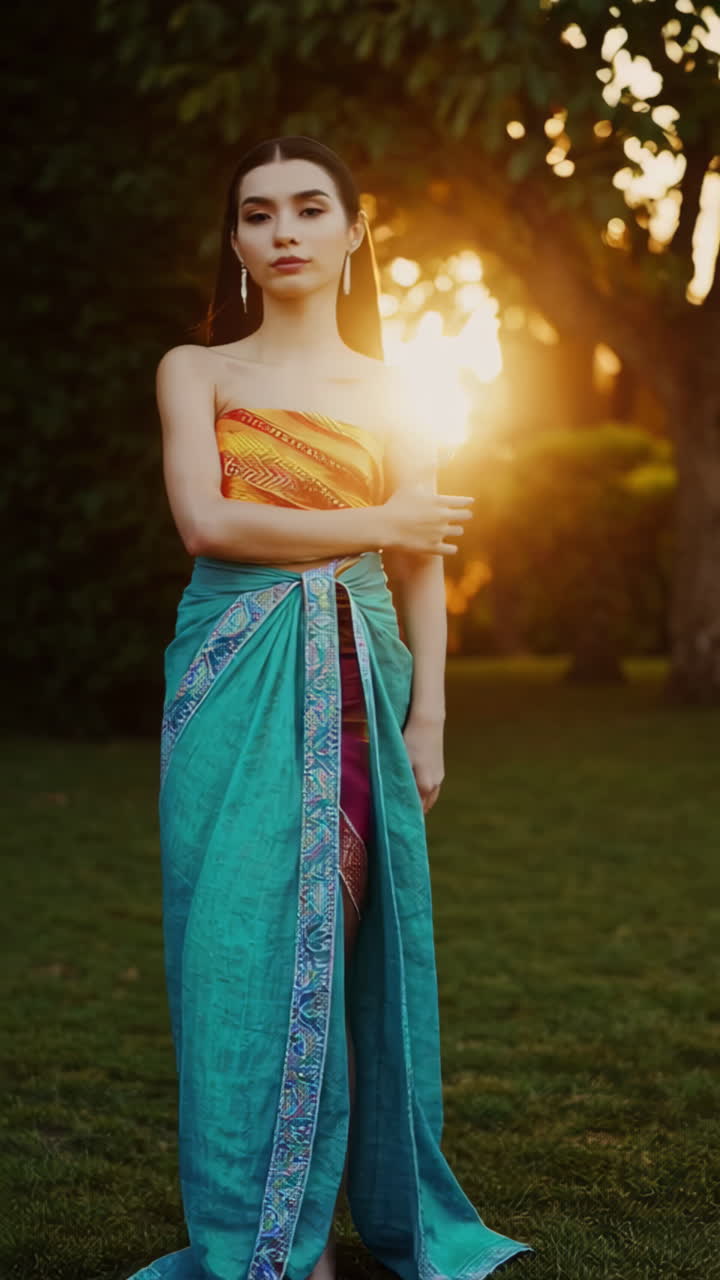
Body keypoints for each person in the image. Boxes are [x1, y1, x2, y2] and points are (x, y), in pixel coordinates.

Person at [127, 135, 534, 1280]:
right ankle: (254, 1233)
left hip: (361, 687)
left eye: (311, 209)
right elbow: (208, 525)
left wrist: (433, 719)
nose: (285, 232)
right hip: (225, 684)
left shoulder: (401, 389)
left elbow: (423, 572)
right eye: (258, 215)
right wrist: (379, 523)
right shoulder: (196, 371)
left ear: (356, 232)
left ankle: (302, 1233)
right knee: (230, 957)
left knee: (326, 949)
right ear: (238, 241)